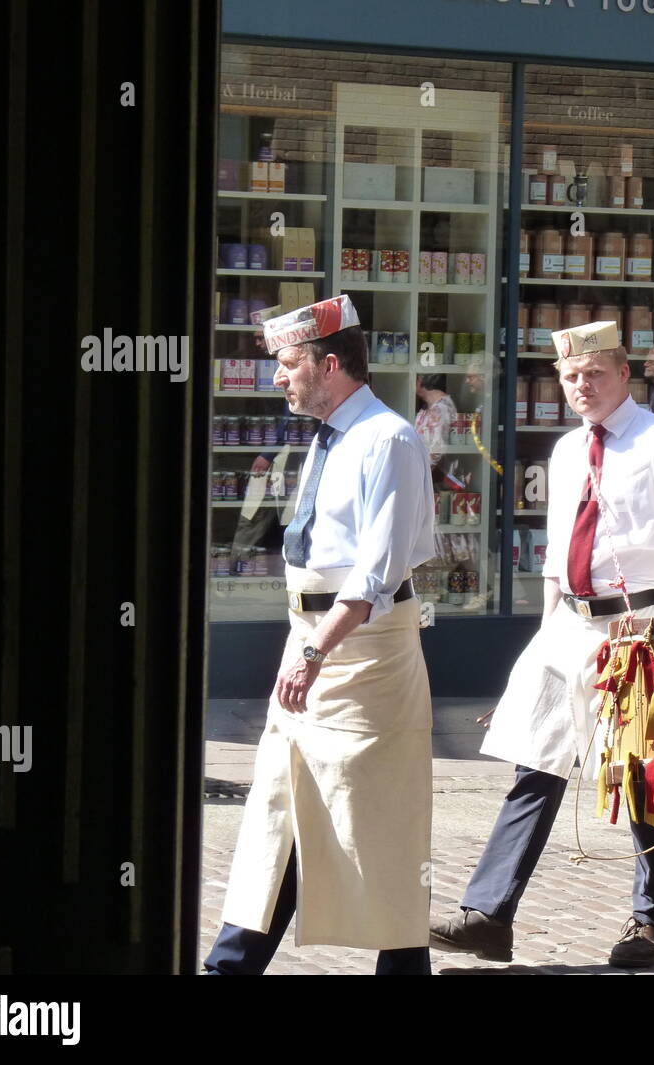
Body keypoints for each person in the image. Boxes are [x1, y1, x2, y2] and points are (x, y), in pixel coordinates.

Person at [429, 319, 654, 968]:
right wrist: (540, 648)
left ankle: (653, 926)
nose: (581, 386)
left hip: (640, 624)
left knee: (644, 778)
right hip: (568, 624)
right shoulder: (569, 450)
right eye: (570, 376)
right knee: (534, 761)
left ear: (625, 373)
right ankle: (489, 914)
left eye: (595, 373)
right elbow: (553, 557)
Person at [204, 295, 438, 975]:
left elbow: (374, 574)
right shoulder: (328, 434)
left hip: (363, 652)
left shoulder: (388, 438)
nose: (279, 377)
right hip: (313, 636)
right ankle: (230, 964)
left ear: (329, 364)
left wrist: (314, 650)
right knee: (279, 806)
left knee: (380, 825)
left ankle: (402, 969)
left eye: (288, 364)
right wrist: (305, 644)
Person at [415, 373, 457, 467]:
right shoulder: (426, 407)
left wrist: (421, 473)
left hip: (431, 476)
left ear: (420, 380)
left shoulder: (441, 408)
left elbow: (437, 450)